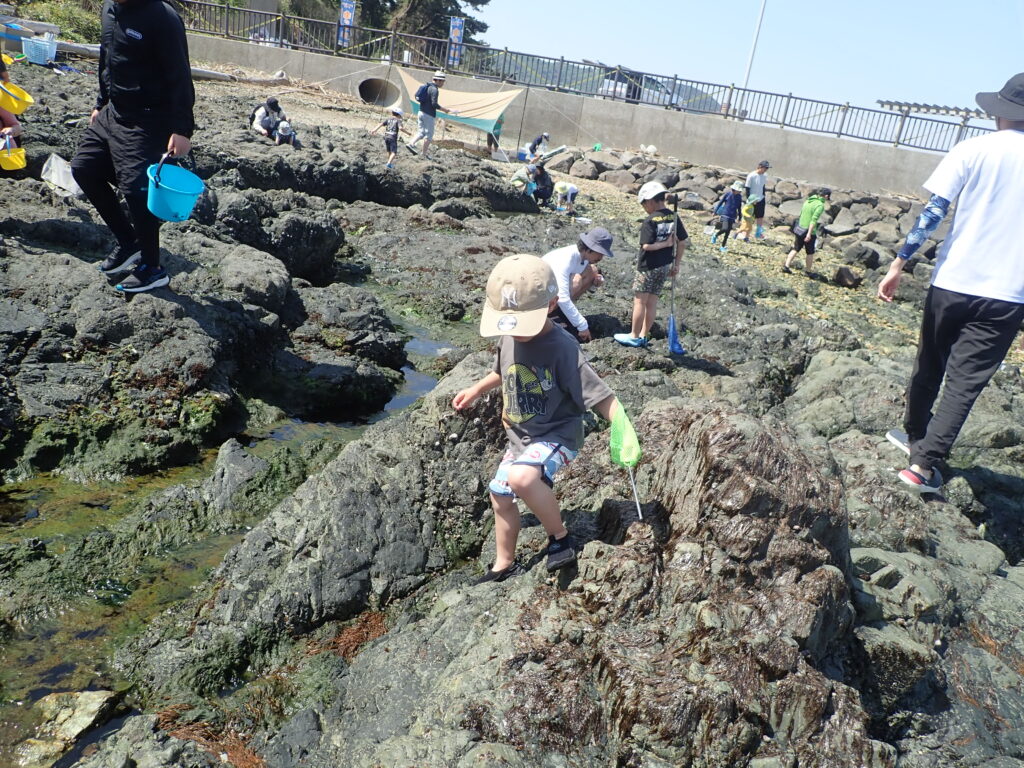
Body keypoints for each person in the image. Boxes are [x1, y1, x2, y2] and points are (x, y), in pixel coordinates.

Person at [877, 72, 1024, 494]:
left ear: (1000, 113)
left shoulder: (972, 149)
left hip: (954, 280)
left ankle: (915, 439)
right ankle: (922, 464)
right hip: (1008, 295)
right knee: (964, 383)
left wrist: (899, 263)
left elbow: (933, 213)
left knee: (930, 362)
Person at [452, 254, 618, 582]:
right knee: (500, 492)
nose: (516, 332)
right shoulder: (509, 335)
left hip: (557, 434)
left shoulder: (562, 347)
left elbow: (600, 394)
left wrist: (622, 428)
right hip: (520, 438)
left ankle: (560, 538)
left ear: (553, 304)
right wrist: (476, 389)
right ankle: (503, 563)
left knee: (522, 479)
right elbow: (501, 371)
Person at [71, 0, 195, 294]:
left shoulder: (162, 16)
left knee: (135, 189)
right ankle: (130, 243)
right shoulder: (110, 10)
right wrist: (100, 103)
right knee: (84, 168)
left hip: (149, 119)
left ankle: (153, 268)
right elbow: (107, 58)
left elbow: (180, 74)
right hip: (113, 111)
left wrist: (182, 129)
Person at [614, 180, 688, 347]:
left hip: (648, 266)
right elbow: (682, 242)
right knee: (652, 302)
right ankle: (644, 335)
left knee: (640, 301)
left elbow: (646, 246)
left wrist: (665, 244)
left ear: (650, 200)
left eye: (644, 204)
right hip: (664, 266)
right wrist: (677, 264)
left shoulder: (650, 220)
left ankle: (633, 335)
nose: (644, 208)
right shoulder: (673, 216)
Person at [541, 227, 615, 342]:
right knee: (576, 282)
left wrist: (597, 279)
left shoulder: (582, 257)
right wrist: (582, 325)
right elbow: (562, 297)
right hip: (538, 299)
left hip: (551, 295)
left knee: (593, 271)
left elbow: (590, 271)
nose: (601, 258)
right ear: (589, 248)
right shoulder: (566, 259)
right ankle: (548, 315)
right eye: (600, 253)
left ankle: (559, 312)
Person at [782, 188, 830, 275]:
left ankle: (786, 265)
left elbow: (802, 213)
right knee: (810, 252)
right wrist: (809, 234)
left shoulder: (809, 200)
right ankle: (808, 271)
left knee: (796, 248)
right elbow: (813, 220)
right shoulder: (820, 205)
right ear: (826, 196)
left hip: (800, 228)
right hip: (809, 232)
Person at [407, 70, 451, 160]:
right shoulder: (434, 90)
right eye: (442, 81)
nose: (443, 83)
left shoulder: (427, 86)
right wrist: (445, 110)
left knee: (421, 132)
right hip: (428, 114)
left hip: (421, 112)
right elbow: (434, 104)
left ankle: (411, 143)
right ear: (438, 80)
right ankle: (423, 154)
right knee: (429, 135)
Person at [711, 180, 744, 253]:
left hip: (732, 216)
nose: (740, 192)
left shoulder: (739, 197)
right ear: (735, 189)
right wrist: (715, 211)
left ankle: (723, 246)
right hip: (725, 214)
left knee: (727, 232)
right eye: (739, 190)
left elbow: (739, 207)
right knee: (725, 228)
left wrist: (740, 217)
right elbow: (720, 203)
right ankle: (715, 235)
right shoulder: (728, 194)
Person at [744, 159, 770, 238]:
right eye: (765, 168)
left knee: (760, 216)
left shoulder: (765, 175)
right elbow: (747, 188)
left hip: (761, 198)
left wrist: (763, 195)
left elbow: (763, 186)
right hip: (752, 199)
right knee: (750, 216)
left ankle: (758, 233)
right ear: (760, 167)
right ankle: (746, 232)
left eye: (767, 168)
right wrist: (749, 200)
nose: (766, 170)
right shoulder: (751, 175)